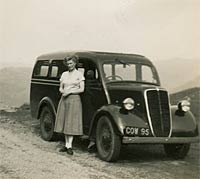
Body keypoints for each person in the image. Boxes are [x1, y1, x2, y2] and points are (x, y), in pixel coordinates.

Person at [54, 55, 85, 155]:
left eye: (71, 63)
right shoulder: (64, 74)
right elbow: (61, 87)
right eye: (68, 63)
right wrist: (63, 91)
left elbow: (81, 89)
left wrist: (70, 92)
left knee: (71, 122)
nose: (69, 65)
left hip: (74, 100)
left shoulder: (79, 75)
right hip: (64, 99)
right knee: (65, 121)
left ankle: (70, 145)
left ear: (75, 63)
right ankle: (66, 145)